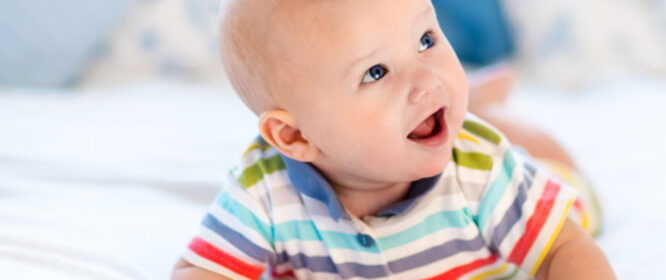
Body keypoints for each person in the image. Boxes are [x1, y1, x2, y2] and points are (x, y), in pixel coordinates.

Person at [172, 0, 613, 279]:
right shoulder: (264, 189)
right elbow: (201, 269)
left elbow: (563, 248)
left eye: (425, 40)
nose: (425, 80)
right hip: (429, 130)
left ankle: (484, 110)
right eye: (376, 73)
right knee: (442, 109)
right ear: (294, 136)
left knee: (562, 179)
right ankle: (474, 103)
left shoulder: (480, 168)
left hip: (545, 193)